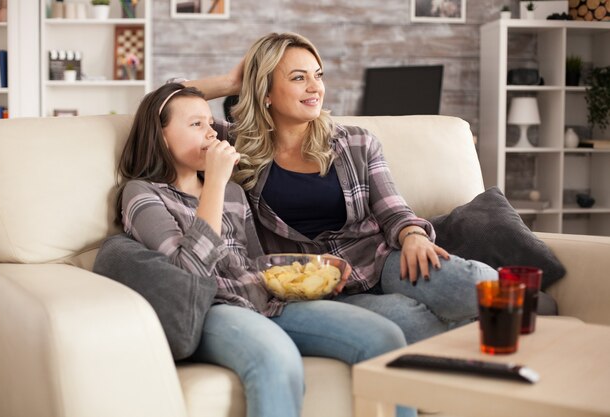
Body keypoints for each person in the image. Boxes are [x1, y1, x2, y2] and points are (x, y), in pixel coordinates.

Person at [181, 32, 498, 346]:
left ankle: (520, 318)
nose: (314, 86)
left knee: (477, 284)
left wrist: (413, 236)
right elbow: (161, 108)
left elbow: (393, 209)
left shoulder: (357, 142)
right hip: (318, 290)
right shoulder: (235, 146)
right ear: (266, 92)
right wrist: (230, 82)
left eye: (317, 75)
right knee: (413, 322)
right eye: (298, 77)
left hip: (377, 260)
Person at [116, 82, 412, 417]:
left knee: (384, 339)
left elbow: (253, 263)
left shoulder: (231, 192)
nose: (211, 133)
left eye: (210, 123)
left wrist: (311, 268)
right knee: (276, 358)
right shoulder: (143, 194)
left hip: (265, 302)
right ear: (160, 134)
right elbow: (189, 275)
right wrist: (213, 182)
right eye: (195, 124)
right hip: (212, 310)